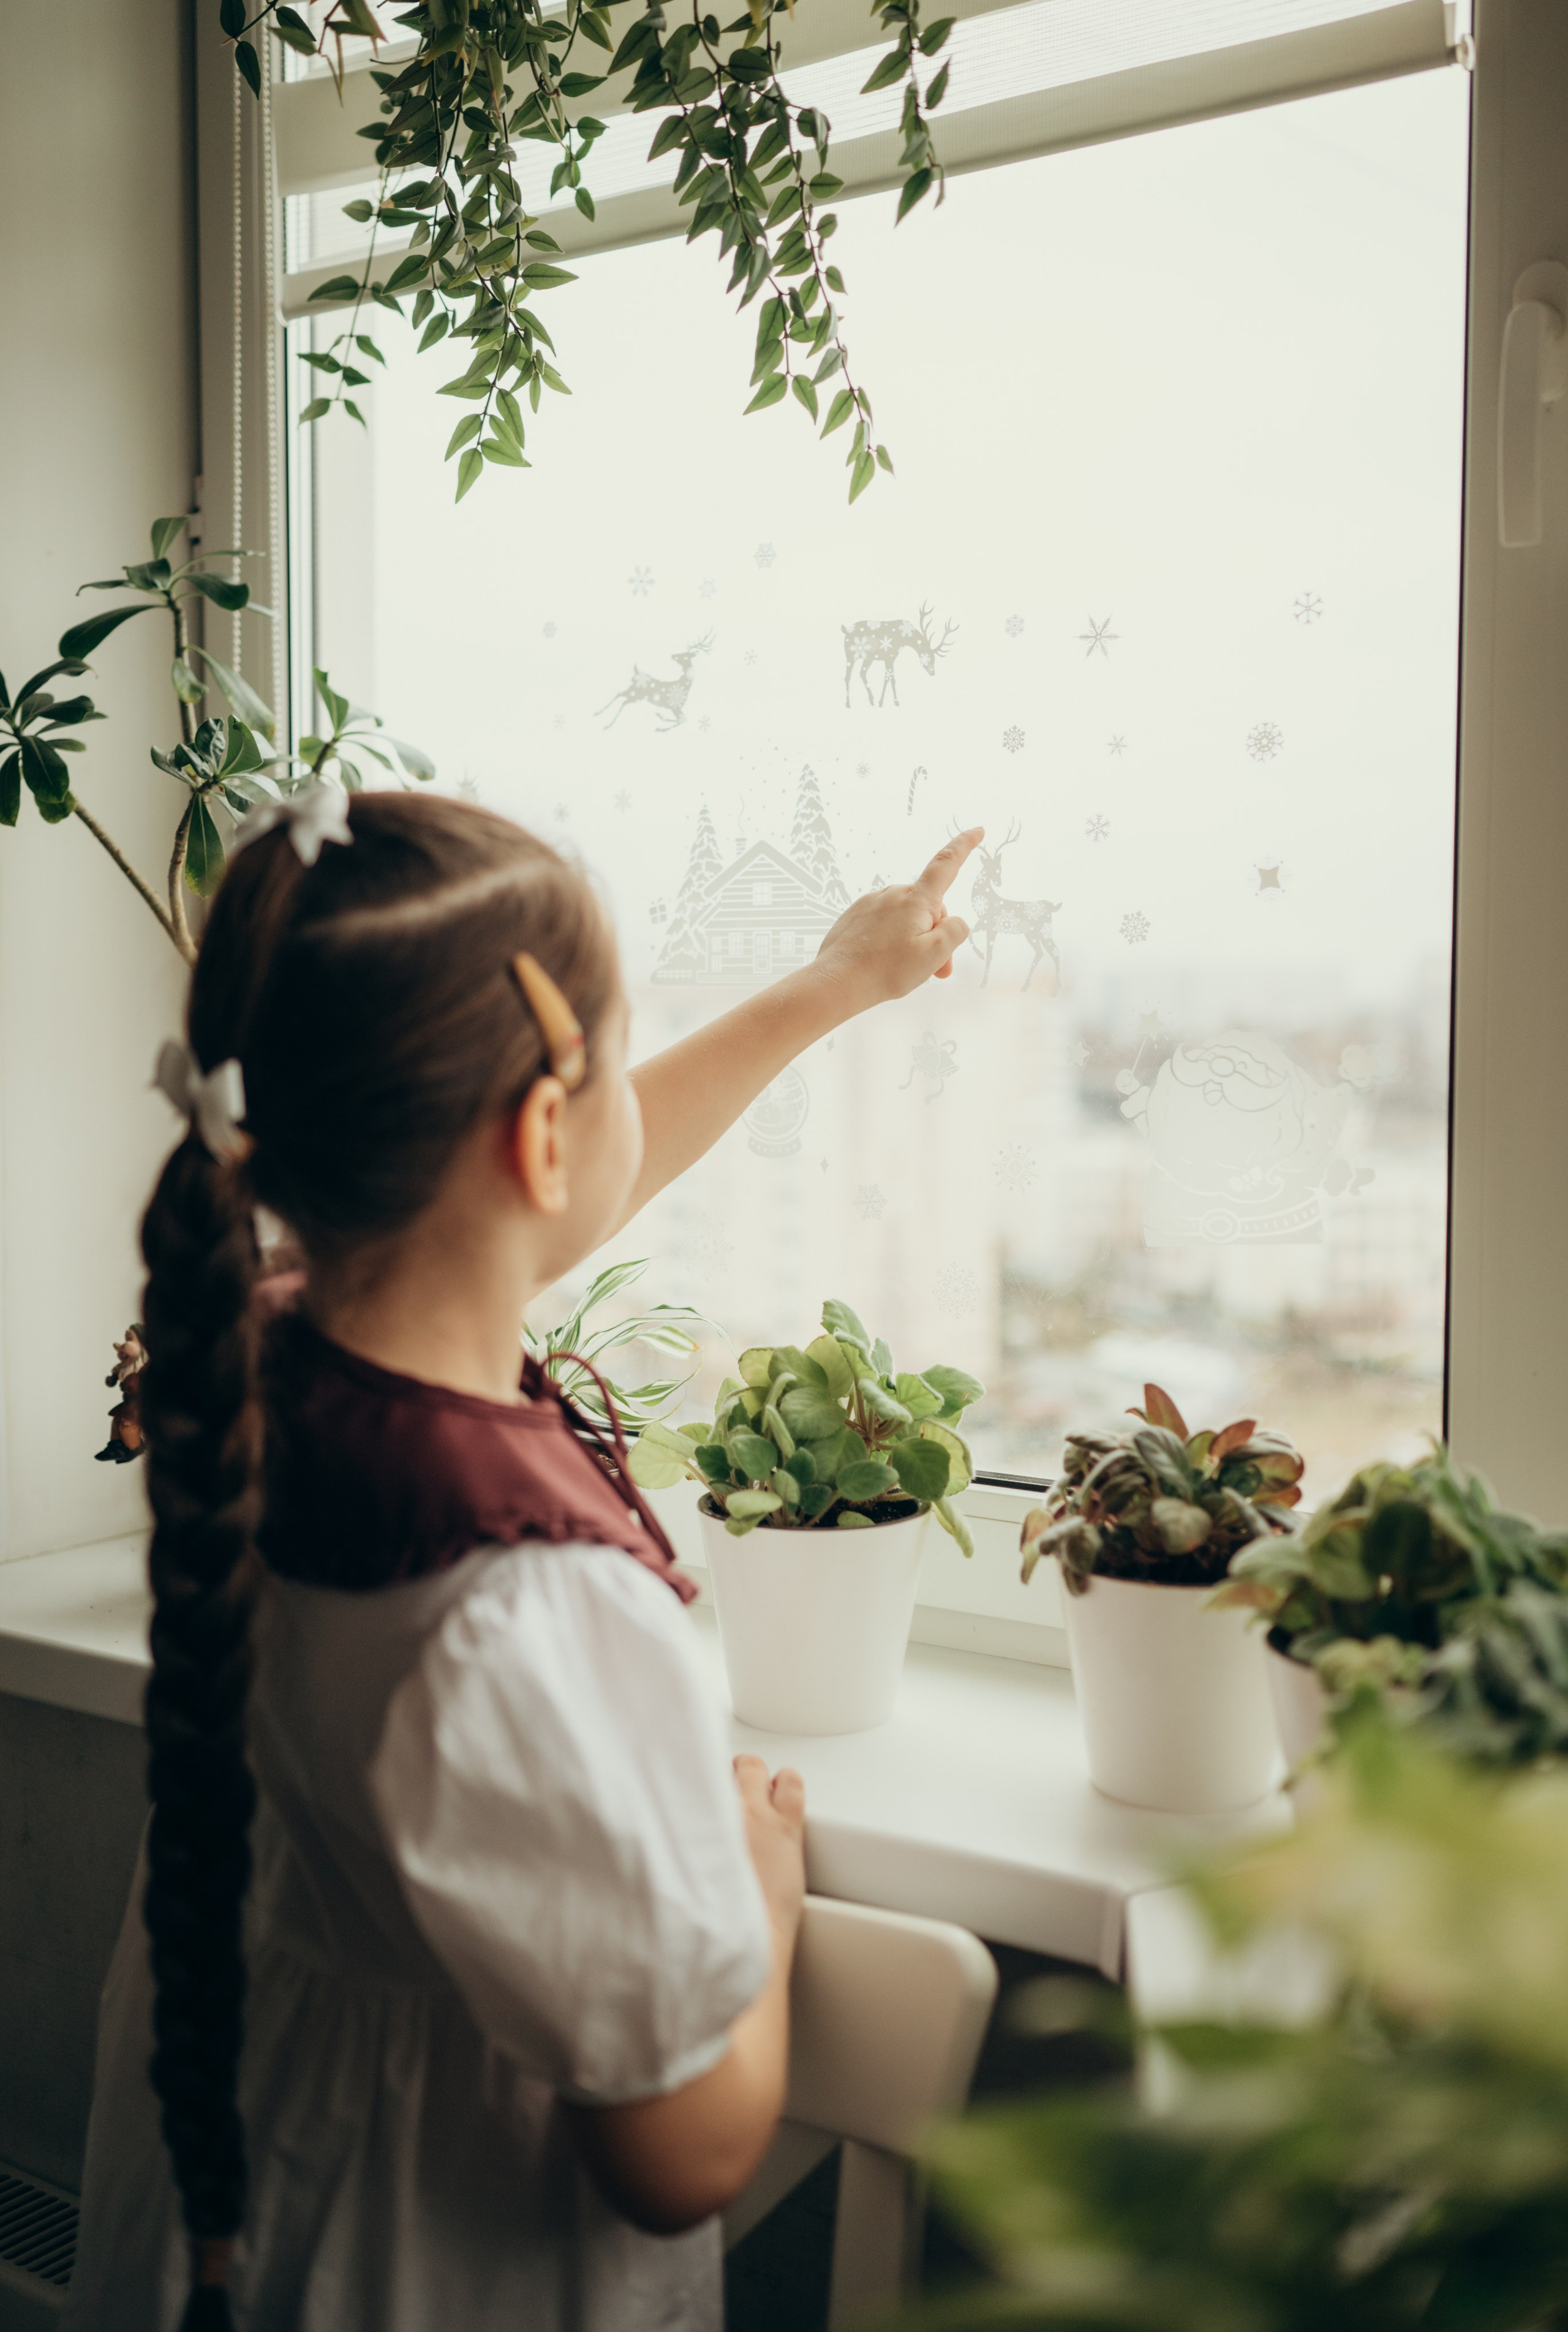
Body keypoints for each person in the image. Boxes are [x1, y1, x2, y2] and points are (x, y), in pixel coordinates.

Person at [61, 790, 981, 2332]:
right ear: (539, 1132)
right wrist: (755, 1904)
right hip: (428, 2262)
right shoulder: (519, 1607)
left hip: (237, 2183)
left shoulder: (259, 1370)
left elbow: (561, 1182)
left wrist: (832, 980)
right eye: (616, 1053)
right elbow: (679, 2151)